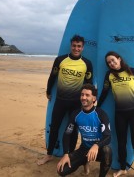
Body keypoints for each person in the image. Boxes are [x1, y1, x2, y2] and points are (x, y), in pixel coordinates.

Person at [37, 35, 93, 166]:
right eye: (74, 45)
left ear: (82, 47)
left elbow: (89, 84)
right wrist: (48, 91)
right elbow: (52, 76)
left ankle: (70, 156)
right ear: (71, 46)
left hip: (76, 103)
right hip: (60, 101)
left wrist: (89, 100)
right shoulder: (60, 60)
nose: (76, 48)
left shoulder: (87, 63)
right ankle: (49, 154)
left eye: (79, 46)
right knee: (55, 127)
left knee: (73, 130)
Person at [97, 51, 134, 177]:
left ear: (119, 59)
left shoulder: (132, 71)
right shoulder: (109, 75)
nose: (111, 63)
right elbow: (104, 92)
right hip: (120, 114)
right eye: (109, 62)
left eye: (113, 60)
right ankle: (123, 168)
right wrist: (96, 107)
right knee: (121, 142)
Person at [57, 83, 112, 177]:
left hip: (98, 150)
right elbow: (67, 134)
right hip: (84, 149)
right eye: (82, 95)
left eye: (87, 95)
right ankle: (85, 162)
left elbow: (108, 136)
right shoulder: (76, 114)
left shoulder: (101, 114)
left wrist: (96, 145)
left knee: (107, 150)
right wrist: (66, 154)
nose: (83, 97)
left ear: (94, 99)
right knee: (61, 170)